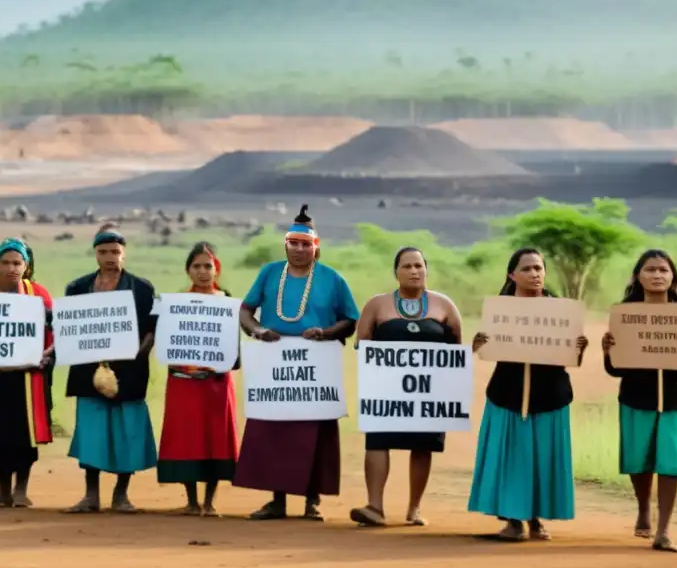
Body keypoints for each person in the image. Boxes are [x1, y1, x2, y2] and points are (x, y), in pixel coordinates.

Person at [234, 205, 360, 521]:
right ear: (286, 244)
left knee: (313, 431)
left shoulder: (332, 279)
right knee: (275, 430)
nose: (299, 249)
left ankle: (310, 502)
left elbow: (350, 320)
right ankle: (277, 501)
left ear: (315, 247)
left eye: (306, 244)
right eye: (294, 243)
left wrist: (326, 332)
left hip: (315, 366)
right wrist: (258, 331)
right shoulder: (269, 273)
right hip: (274, 365)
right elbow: (245, 310)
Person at [466, 247, 587, 541]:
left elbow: (571, 359)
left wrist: (578, 349)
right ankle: (513, 521)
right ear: (512, 275)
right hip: (507, 395)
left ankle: (535, 519)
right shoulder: (501, 311)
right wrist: (478, 344)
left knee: (541, 459)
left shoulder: (560, 311)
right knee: (511, 458)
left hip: (551, 396)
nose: (535, 274)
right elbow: (487, 351)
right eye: (527, 269)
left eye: (539, 268)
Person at [602, 249, 677, 553]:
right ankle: (643, 508)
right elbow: (615, 369)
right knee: (638, 461)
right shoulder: (625, 314)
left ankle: (663, 530)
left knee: (671, 463)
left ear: (672, 276)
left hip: (676, 400)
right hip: (636, 396)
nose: (657, 275)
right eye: (650, 269)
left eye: (663, 270)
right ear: (638, 276)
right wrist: (608, 349)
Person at [349, 246, 463, 528]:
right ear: (396, 272)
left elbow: (456, 347)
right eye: (407, 266)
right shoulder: (377, 305)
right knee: (377, 440)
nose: (414, 271)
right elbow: (361, 342)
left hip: (428, 392)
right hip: (386, 390)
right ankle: (375, 506)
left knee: (423, 445)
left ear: (426, 270)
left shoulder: (444, 305)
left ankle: (414, 509)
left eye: (419, 266)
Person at [64, 229, 158, 514]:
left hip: (129, 371)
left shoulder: (142, 288)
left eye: (115, 252)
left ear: (124, 253)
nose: (110, 258)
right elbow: (71, 329)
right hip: (87, 371)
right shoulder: (78, 288)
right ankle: (91, 495)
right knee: (93, 434)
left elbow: (152, 331)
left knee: (126, 431)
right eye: (103, 252)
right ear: (95, 254)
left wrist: (135, 355)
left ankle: (121, 495)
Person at [0, 238, 55, 508]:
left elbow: (54, 334)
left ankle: (21, 490)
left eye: (17, 262)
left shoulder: (39, 294)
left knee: (24, 433)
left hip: (29, 377)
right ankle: (3, 491)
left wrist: (46, 355)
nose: (11, 267)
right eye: (5, 262)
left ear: (26, 265)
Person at [156, 242, 240, 517]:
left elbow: (234, 349)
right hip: (183, 381)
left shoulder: (227, 301)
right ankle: (191, 501)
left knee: (215, 435)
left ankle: (210, 502)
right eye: (197, 266)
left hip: (216, 383)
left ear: (217, 269)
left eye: (208, 266)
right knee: (187, 436)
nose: (203, 272)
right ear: (187, 270)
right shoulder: (175, 303)